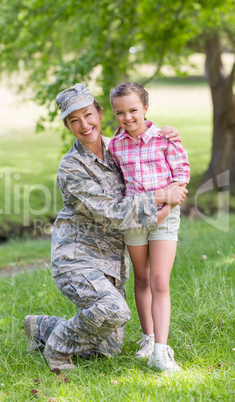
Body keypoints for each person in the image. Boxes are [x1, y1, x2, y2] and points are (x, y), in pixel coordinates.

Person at [24, 83, 187, 371]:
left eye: (88, 115)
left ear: (100, 113)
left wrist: (169, 137)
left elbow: (152, 155)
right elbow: (113, 214)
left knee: (106, 349)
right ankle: (58, 350)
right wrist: (162, 197)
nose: (84, 125)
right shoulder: (71, 167)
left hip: (110, 264)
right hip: (76, 259)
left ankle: (41, 327)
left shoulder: (120, 147)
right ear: (67, 126)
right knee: (113, 311)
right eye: (74, 120)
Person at [108, 82, 190, 372]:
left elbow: (181, 177)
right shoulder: (115, 145)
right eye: (120, 113)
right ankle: (147, 337)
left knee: (159, 281)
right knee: (141, 278)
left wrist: (165, 210)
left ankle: (161, 351)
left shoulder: (165, 139)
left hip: (165, 216)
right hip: (134, 218)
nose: (127, 117)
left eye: (133, 110)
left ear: (145, 108)